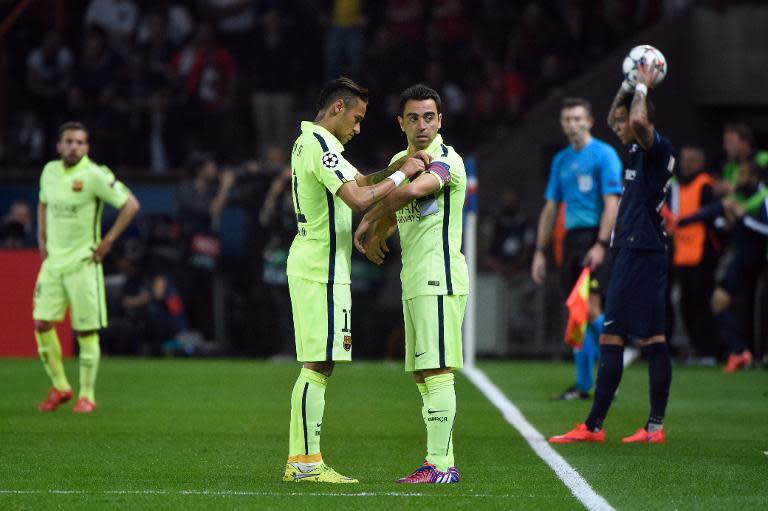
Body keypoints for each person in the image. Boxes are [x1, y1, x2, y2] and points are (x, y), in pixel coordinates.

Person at [282, 77, 429, 483]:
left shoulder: (310, 142)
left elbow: (361, 181)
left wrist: (392, 168)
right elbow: (360, 199)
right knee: (317, 365)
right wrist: (403, 176)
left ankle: (302, 460)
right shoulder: (321, 145)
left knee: (320, 364)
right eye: (357, 118)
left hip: (319, 265)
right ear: (337, 109)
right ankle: (305, 463)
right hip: (320, 269)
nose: (359, 128)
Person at [550, 61, 675, 444]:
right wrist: (628, 83)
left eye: (624, 123)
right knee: (653, 338)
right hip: (646, 248)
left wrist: (643, 87)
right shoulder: (639, 152)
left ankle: (593, 426)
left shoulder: (655, 146)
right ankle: (654, 427)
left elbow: (637, 119)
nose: (617, 127)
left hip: (638, 249)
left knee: (612, 334)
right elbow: (616, 116)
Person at [354, 84, 467, 484]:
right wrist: (376, 230)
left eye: (430, 117)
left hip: (440, 275)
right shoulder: (400, 162)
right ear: (400, 122)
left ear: (441, 121)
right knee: (423, 374)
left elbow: (416, 190)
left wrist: (368, 216)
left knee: (436, 371)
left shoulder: (446, 159)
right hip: (414, 277)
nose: (422, 125)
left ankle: (438, 464)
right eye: (414, 118)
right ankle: (443, 460)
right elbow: (396, 204)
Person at [33, 121, 140, 413]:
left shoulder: (94, 175)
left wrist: (108, 242)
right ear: (59, 145)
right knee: (42, 323)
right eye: (69, 141)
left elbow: (130, 204)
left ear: (86, 147)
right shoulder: (49, 172)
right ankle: (60, 387)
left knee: (86, 331)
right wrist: (41, 237)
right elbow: (43, 203)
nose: (73, 147)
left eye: (79, 142)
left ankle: (87, 395)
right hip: (53, 263)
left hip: (83, 263)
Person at [530, 97, 622, 401]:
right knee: (576, 313)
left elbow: (613, 203)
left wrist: (600, 244)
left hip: (595, 237)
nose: (572, 124)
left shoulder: (604, 155)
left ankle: (617, 352)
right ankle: (584, 386)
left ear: (590, 121)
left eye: (578, 118)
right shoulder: (561, 160)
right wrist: (540, 251)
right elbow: (551, 207)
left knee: (592, 309)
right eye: (567, 119)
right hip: (571, 240)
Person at [668, 145, 722, 361]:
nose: (686, 164)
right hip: (683, 253)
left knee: (702, 303)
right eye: (684, 159)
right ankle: (697, 347)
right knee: (685, 303)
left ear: (701, 162)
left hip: (703, 254)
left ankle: (708, 350)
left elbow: (711, 217)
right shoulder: (677, 185)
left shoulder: (706, 185)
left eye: (692, 160)